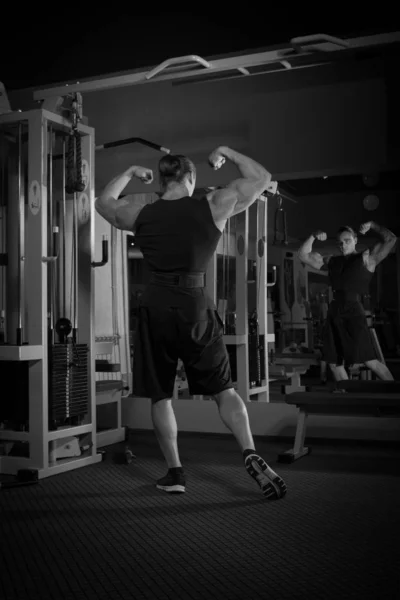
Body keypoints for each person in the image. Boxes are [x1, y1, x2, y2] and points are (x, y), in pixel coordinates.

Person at [95, 147, 287, 500]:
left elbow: (103, 202)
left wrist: (130, 171)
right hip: (195, 305)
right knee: (223, 389)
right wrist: (226, 153)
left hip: (155, 308)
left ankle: (175, 473)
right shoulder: (213, 205)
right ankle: (248, 450)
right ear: (190, 178)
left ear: (163, 179)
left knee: (161, 396)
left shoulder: (140, 213)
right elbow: (261, 179)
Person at [297, 223, 397, 382]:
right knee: (334, 363)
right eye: (340, 242)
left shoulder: (366, 258)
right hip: (334, 311)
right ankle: (347, 397)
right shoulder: (331, 261)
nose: (343, 245)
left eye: (347, 240)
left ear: (355, 240)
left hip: (354, 311)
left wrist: (373, 226)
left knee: (369, 361)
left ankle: (394, 395)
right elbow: (303, 255)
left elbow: (391, 240)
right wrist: (313, 235)